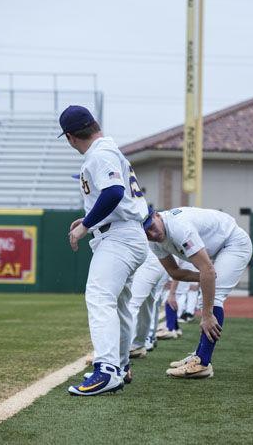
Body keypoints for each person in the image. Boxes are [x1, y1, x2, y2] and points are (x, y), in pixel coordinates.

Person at [61, 105, 149, 396]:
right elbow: (111, 196)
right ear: (95, 124)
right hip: (126, 234)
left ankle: (107, 370)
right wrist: (91, 220)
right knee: (120, 305)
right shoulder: (109, 149)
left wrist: (85, 224)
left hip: (119, 238)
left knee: (99, 297)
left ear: (71, 137)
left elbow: (114, 192)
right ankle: (120, 367)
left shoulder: (99, 153)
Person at [144, 207, 252, 378]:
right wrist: (205, 277)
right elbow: (175, 273)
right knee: (207, 293)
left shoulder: (178, 227)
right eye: (146, 232)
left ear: (156, 215)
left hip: (233, 243)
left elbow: (207, 270)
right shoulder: (154, 242)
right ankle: (199, 355)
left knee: (212, 299)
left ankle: (202, 363)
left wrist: (207, 315)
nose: (152, 233)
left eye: (151, 226)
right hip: (218, 248)